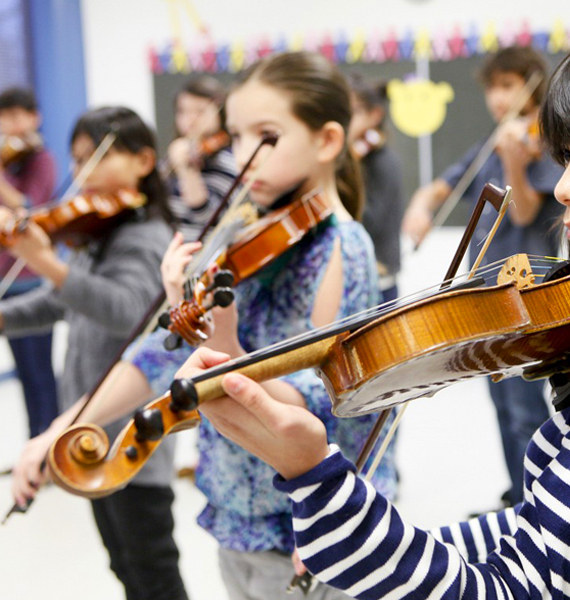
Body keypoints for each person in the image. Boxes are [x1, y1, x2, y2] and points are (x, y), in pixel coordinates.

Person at [182, 18, 570, 598]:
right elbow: (540, 531)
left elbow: (513, 586)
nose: (567, 187)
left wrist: (314, 475)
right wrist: (382, 531)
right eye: (568, 156)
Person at [16, 52, 397, 600]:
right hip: (234, 518)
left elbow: (341, 404)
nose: (244, 157)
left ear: (327, 141)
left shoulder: (342, 248)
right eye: (235, 137)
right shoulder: (246, 231)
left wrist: (224, 345)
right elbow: (159, 352)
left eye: (265, 137)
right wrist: (64, 427)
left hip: (300, 532)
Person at [5, 106, 188, 600]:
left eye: (97, 158)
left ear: (144, 160)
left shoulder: (146, 238)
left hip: (132, 438)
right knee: (123, 564)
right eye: (78, 160)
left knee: (153, 569)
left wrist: (47, 264)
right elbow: (63, 301)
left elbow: (126, 310)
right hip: (87, 430)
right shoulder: (96, 235)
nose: (83, 174)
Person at [403, 46, 565, 508]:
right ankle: (518, 497)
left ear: (531, 85)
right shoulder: (493, 142)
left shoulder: (545, 144)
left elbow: (525, 211)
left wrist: (515, 158)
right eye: (493, 87)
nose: (498, 97)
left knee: (524, 410)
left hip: (522, 294)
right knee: (501, 405)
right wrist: (420, 205)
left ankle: (541, 508)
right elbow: (445, 185)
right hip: (483, 293)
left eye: (508, 86)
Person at [0, 87, 59, 438]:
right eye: (5, 116)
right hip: (5, 280)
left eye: (19, 115)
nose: (12, 123)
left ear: (34, 117)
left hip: (33, 280)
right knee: (24, 371)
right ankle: (34, 442)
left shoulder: (42, 159)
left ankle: (50, 442)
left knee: (40, 372)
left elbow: (29, 207)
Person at [348, 74, 403, 304]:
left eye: (353, 112)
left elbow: (370, 221)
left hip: (378, 280)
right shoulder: (354, 157)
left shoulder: (382, 161)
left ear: (375, 115)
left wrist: (349, 169)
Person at [166, 75, 237, 241]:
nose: (190, 119)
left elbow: (205, 217)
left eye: (199, 111)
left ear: (220, 113)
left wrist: (187, 171)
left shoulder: (229, 161)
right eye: (182, 111)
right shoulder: (173, 157)